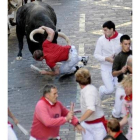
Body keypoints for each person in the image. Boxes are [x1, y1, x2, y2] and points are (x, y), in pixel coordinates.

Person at [75, 68, 107, 140]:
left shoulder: (89, 91)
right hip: (88, 124)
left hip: (97, 126)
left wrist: (79, 121)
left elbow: (91, 109)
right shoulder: (87, 89)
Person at [94, 21, 122, 98]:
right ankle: (101, 90)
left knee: (120, 88)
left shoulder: (121, 38)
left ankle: (117, 109)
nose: (104, 32)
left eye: (106, 30)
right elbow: (96, 55)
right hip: (106, 67)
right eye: (103, 30)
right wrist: (106, 58)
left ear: (112, 29)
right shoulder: (101, 40)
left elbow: (129, 51)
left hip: (118, 68)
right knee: (110, 90)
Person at [111, 35, 132, 119]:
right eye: (125, 44)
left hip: (132, 85)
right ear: (121, 44)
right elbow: (113, 73)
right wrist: (121, 71)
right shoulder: (118, 57)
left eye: (129, 44)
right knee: (117, 111)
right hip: (122, 85)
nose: (128, 46)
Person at [120, 74, 132, 140]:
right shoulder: (126, 99)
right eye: (124, 87)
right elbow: (127, 116)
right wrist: (119, 125)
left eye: (127, 87)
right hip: (131, 131)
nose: (125, 89)